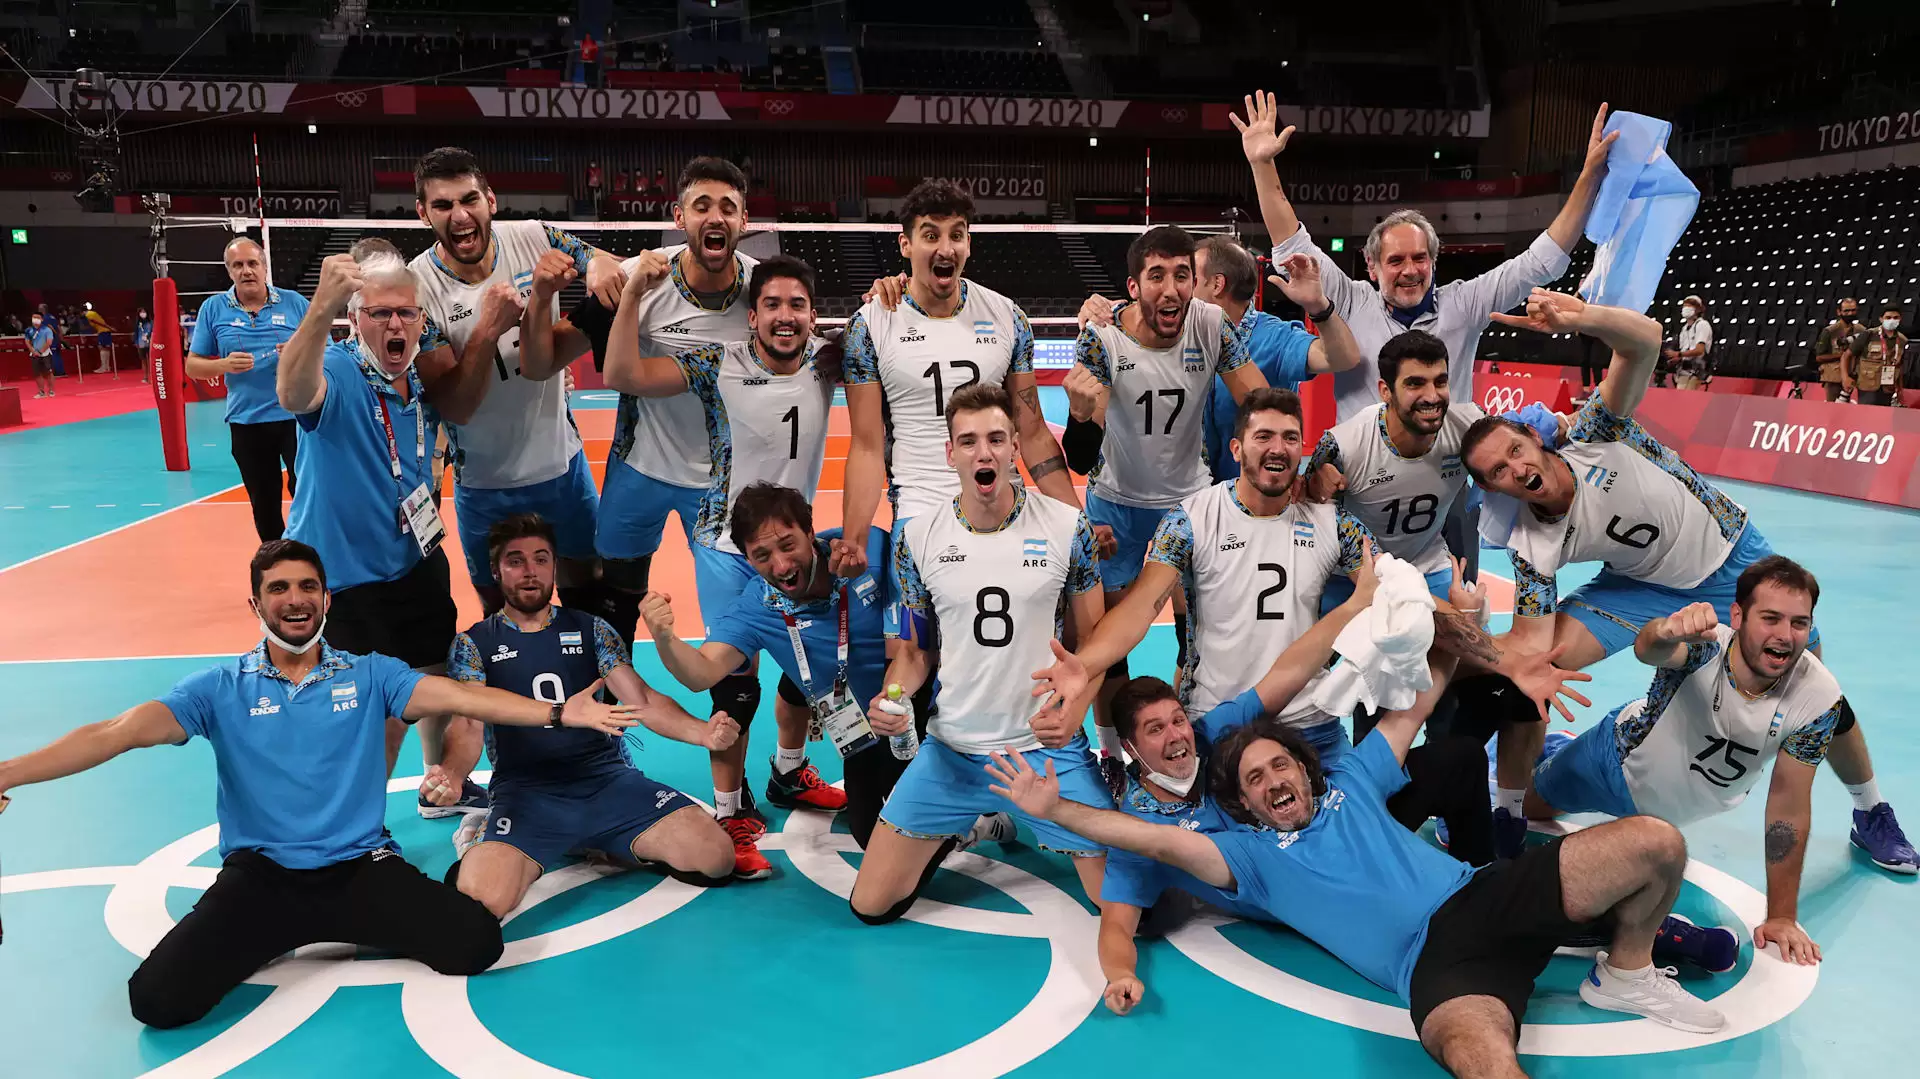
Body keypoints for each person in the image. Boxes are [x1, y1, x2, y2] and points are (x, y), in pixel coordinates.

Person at [0, 539, 642, 1029]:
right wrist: (5, 774)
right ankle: (270, 932)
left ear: (327, 599)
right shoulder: (218, 689)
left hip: (359, 867)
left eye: (308, 585)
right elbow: (115, 732)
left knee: (475, 945)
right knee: (157, 1002)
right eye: (278, 588)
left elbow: (462, 696)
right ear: (256, 604)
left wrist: (558, 713)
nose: (296, 598)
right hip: (263, 877)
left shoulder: (371, 675)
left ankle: (385, 894)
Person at [985, 694, 1729, 1078]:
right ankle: (1608, 934)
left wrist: (1453, 627)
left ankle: (1626, 971)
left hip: (1486, 894)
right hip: (1437, 969)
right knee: (1484, 1065)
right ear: (1243, 802)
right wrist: (1056, 810)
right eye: (1254, 778)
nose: (1272, 780)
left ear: (1304, 769)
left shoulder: (1350, 781)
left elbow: (1413, 708)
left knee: (1656, 843)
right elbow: (1149, 838)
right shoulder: (1247, 855)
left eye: (1280, 765)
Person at [1462, 288, 1916, 873]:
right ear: (1491, 488)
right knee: (1535, 671)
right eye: (1498, 471)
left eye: (1516, 451)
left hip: (1729, 559)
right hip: (1635, 587)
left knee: (1814, 690)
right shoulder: (1531, 543)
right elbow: (1527, 642)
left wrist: (1584, 318)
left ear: (1536, 438)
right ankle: (1507, 811)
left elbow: (1646, 341)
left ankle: (1870, 810)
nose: (1517, 469)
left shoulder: (1596, 432)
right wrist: (1475, 646)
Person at [1035, 387, 1588, 775]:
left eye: (1290, 438)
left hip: (1313, 724)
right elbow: (1140, 607)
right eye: (1263, 437)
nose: (1277, 448)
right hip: (1220, 718)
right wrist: (1085, 665)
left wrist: (1510, 662)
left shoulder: (1333, 524)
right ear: (1237, 449)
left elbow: (1405, 595)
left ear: (1303, 449)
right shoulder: (1192, 519)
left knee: (1357, 839)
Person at [603, 255, 847, 871]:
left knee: (807, 665)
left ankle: (789, 772)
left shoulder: (829, 359)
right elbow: (621, 372)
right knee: (735, 685)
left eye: (797, 305)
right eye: (772, 305)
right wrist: (632, 292)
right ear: (752, 316)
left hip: (796, 545)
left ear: (813, 314)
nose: (785, 316)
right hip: (727, 550)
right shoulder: (718, 362)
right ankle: (730, 810)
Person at [848, 384, 1109, 923]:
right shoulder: (918, 537)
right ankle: (972, 820)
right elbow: (914, 653)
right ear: (951, 453)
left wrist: (1074, 712)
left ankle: (1007, 815)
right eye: (968, 441)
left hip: (1043, 751)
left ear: (1015, 446)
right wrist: (893, 698)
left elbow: (1094, 646)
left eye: (995, 438)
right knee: (871, 904)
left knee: (1123, 906)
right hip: (954, 750)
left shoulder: (1068, 527)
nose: (982, 452)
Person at [1529, 558, 1851, 965]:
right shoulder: (1708, 645)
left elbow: (1788, 804)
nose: (1785, 636)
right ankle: (1557, 750)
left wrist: (1782, 916)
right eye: (1770, 618)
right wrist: (1663, 630)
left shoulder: (1819, 698)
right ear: (1738, 616)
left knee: (1642, 870)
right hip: (1611, 764)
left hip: (1677, 811)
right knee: (1530, 810)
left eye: (1799, 623)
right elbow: (1650, 648)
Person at [276, 238, 485, 818]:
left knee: (435, 677)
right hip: (348, 577)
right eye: (380, 313)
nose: (395, 324)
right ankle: (357, 823)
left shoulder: (417, 378)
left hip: (416, 557)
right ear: (355, 317)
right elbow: (292, 392)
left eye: (406, 313)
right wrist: (319, 309)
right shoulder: (339, 370)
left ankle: (440, 788)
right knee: (377, 711)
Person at [440, 515, 738, 914]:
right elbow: (467, 723)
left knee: (715, 857)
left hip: (606, 782)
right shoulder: (474, 644)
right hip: (527, 794)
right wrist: (453, 774)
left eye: (541, 559)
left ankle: (599, 838)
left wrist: (703, 733)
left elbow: (642, 699)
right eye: (515, 561)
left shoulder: (592, 630)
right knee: (481, 899)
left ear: (554, 567)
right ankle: (489, 835)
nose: (530, 571)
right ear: (496, 571)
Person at [844, 180, 1082, 658]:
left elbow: (1032, 431)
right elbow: (867, 445)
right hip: (922, 512)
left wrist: (1079, 519)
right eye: (930, 235)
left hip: (1002, 506)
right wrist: (854, 539)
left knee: (1034, 644)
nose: (945, 247)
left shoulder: (1008, 316)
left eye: (957, 234)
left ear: (969, 243)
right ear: (905, 245)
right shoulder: (869, 326)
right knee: (915, 657)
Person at [643, 482, 923, 859]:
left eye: (788, 545)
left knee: (926, 820)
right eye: (761, 556)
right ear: (748, 559)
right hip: (863, 728)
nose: (781, 566)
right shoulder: (757, 607)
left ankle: (980, 815)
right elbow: (701, 674)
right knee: (872, 836)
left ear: (810, 532)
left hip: (918, 702)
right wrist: (665, 639)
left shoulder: (868, 551)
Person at [406, 146, 623, 615]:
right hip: (485, 484)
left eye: (469, 199)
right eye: (443, 205)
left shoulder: (534, 236)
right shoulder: (416, 289)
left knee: (588, 589)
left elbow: (603, 265)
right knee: (499, 610)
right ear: (423, 213)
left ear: (491, 200)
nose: (460, 216)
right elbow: (457, 406)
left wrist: (599, 264)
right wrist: (487, 328)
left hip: (562, 467)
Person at [582, 157, 756, 649]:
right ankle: (612, 694)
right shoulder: (638, 277)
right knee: (616, 599)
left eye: (728, 207)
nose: (715, 217)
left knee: (731, 623)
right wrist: (593, 263)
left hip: (721, 483)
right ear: (679, 217)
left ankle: (731, 699)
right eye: (702, 206)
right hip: (640, 468)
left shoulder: (764, 289)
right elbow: (566, 344)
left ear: (744, 220)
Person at [1073, 235, 1363, 484]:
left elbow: (1343, 357)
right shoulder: (1177, 331)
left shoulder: (1273, 337)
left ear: (1216, 284)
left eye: (1187, 276)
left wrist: (1318, 306)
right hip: (1185, 495)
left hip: (1250, 498)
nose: (1175, 288)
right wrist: (1103, 310)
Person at [186, 238, 310, 542]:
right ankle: (275, 562)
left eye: (252, 263)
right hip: (247, 422)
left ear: (265, 267)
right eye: (237, 265)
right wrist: (224, 365)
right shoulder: (213, 308)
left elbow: (328, 352)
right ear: (229, 271)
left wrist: (299, 352)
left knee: (308, 493)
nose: (246, 271)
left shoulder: (295, 303)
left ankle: (313, 555)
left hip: (296, 418)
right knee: (263, 503)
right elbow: (193, 366)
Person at [1845, 304, 1908, 406]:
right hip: (1867, 385)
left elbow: (1900, 366)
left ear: (1900, 319)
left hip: (1888, 387)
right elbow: (1846, 355)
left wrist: (1900, 388)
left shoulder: (1902, 340)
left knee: (1884, 415)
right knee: (1866, 414)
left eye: (1895, 317)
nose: (1892, 320)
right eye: (1888, 317)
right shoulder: (1869, 334)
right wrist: (1845, 377)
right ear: (1881, 319)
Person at [1812, 297, 1861, 402]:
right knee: (1833, 408)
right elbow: (1819, 357)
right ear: (1839, 312)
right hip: (1834, 377)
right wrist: (1843, 355)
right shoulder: (1830, 331)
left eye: (1853, 310)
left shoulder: (1861, 330)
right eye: (1846, 311)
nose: (1850, 313)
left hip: (1854, 376)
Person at [1665, 295, 1714, 391]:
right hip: (1683, 371)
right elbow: (1685, 351)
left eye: (1689, 306)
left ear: (1698, 309)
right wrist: (1677, 359)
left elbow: (1699, 350)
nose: (1686, 308)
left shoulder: (1702, 325)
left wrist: (1679, 354)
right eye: (1685, 306)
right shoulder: (1684, 329)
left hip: (1696, 371)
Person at [25, 310, 55, 399]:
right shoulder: (29, 330)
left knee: (48, 373)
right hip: (34, 355)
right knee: (37, 374)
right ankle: (41, 392)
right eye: (34, 317)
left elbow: (49, 342)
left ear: (42, 319)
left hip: (45, 354)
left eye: (37, 318)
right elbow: (27, 341)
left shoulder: (47, 329)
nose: (35, 319)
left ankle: (51, 390)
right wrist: (33, 351)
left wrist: (40, 352)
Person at [85, 304, 114, 374]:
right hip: (105, 331)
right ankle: (107, 367)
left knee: (101, 347)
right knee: (106, 348)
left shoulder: (88, 315)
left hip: (103, 331)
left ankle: (103, 367)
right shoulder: (94, 313)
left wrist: (110, 327)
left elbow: (98, 322)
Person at [134, 306, 153, 383]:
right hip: (141, 343)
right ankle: (145, 377)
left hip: (150, 343)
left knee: (151, 361)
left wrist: (148, 336)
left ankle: (152, 377)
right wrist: (136, 342)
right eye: (141, 312)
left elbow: (153, 332)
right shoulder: (138, 323)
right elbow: (136, 333)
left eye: (144, 312)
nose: (142, 313)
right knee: (143, 360)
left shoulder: (151, 322)